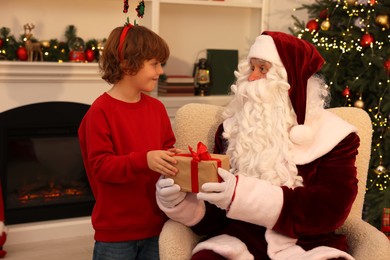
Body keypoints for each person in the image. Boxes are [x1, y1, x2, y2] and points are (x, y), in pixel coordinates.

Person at [156, 31, 360, 259]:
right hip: (241, 241)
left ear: (290, 79)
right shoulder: (230, 129)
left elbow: (331, 208)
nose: (251, 78)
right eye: (251, 68)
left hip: (309, 246)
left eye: (262, 69)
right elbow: (214, 215)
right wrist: (182, 201)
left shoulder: (336, 135)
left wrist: (241, 195)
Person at [78, 23, 180, 260]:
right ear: (126, 64)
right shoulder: (99, 112)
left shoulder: (157, 109)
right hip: (115, 231)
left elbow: (167, 150)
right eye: (154, 64)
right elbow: (101, 167)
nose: (160, 71)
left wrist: (174, 159)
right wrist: (144, 160)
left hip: (157, 224)